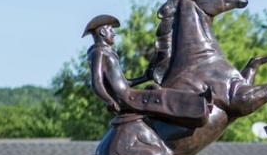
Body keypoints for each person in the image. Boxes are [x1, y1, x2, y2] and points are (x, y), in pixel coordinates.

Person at [81, 14, 209, 127]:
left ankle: (196, 102)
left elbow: (124, 83)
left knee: (153, 88)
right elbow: (96, 81)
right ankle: (196, 105)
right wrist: (109, 100)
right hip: (126, 97)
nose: (114, 33)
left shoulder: (106, 52)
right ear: (103, 32)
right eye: (110, 30)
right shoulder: (98, 52)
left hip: (128, 93)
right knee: (158, 96)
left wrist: (144, 77)